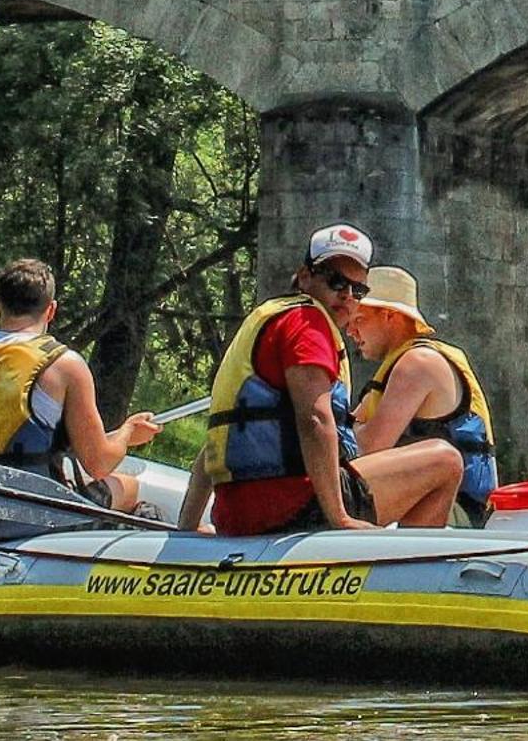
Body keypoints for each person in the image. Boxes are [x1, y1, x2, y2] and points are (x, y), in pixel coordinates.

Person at [178, 224, 459, 536]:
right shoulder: (308, 324)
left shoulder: (269, 319)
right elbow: (315, 418)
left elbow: (217, 442)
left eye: (359, 290)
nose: (347, 295)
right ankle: (404, 574)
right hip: (290, 506)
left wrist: (188, 526)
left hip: (235, 514)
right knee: (445, 460)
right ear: (305, 276)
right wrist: (340, 518)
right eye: (336, 280)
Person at [0, 257, 160, 512]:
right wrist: (127, 432)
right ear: (51, 310)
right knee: (128, 487)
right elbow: (99, 464)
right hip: (32, 519)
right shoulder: (65, 364)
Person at [346, 265, 496, 525]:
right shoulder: (399, 366)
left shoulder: (418, 363)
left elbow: (366, 448)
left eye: (359, 319)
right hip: (442, 505)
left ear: (390, 316)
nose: (350, 332)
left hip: (455, 512)